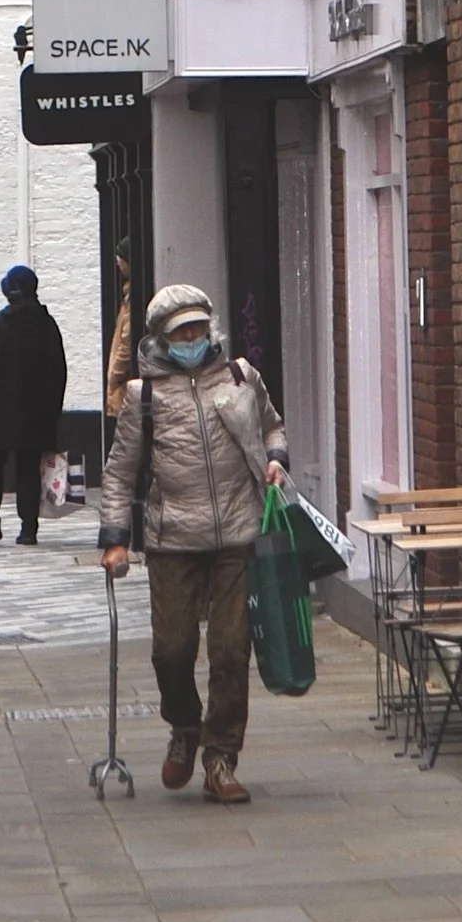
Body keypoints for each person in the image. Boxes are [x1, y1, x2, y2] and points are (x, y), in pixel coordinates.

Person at [100, 279, 289, 807]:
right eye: (182, 331)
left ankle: (221, 757)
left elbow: (274, 429)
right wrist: (115, 538)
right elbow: (118, 475)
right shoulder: (145, 396)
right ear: (162, 338)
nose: (192, 338)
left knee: (231, 650)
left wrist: (276, 458)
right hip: (173, 538)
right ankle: (184, 726)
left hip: (238, 532)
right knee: (173, 651)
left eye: (199, 328)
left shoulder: (240, 376)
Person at [0, 263, 69, 545]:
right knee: (28, 468)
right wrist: (53, 411)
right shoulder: (47, 325)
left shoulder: (0, 324)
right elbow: (59, 370)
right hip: (36, 413)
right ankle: (28, 528)